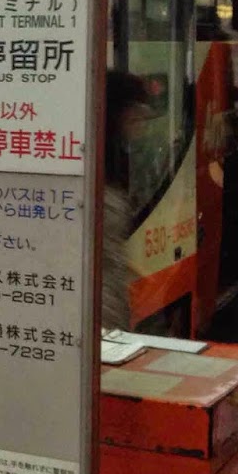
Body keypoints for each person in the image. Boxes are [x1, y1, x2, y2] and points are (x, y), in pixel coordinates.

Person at [102, 71, 153, 331]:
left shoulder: (116, 158)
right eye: (134, 111)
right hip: (98, 307)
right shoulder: (92, 173)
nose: (142, 121)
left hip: (110, 295)